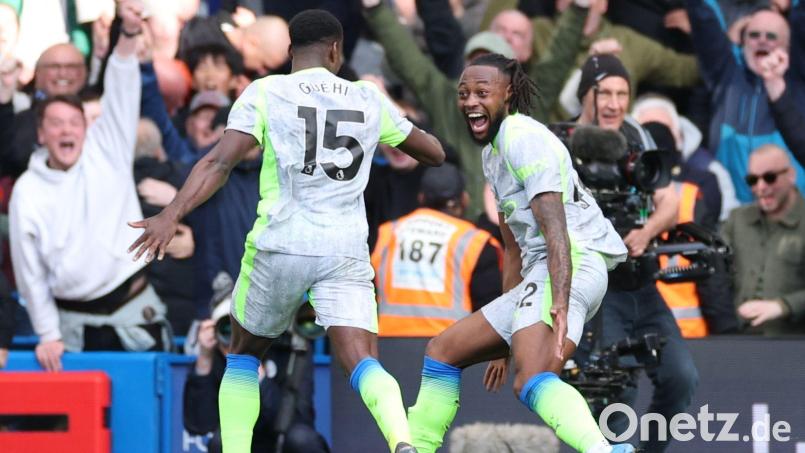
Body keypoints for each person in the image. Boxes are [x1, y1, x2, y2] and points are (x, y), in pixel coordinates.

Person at [127, 9, 445, 453]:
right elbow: (433, 152)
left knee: (242, 353)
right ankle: (402, 441)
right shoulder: (367, 100)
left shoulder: (265, 91)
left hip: (281, 244)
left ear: (291, 51)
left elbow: (219, 161)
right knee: (362, 360)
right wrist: (388, 121)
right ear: (336, 50)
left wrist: (172, 213)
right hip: (344, 250)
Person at [406, 53, 630, 453]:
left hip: (571, 264)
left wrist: (558, 302)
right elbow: (512, 247)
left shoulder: (522, 137)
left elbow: (555, 231)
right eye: (463, 93)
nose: (470, 101)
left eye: (482, 92)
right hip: (543, 273)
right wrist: (507, 330)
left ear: (507, 93)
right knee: (442, 352)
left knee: (531, 379)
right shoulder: (493, 153)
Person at [8, 0, 171, 372]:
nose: (66, 131)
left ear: (87, 128)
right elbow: (28, 271)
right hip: (72, 328)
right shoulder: (27, 190)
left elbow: (122, 86)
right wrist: (48, 332)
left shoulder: (107, 149)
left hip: (134, 313)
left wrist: (128, 34)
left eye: (74, 123)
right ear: (40, 133)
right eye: (56, 124)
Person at [572, 54, 697, 452]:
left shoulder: (637, 134)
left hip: (642, 284)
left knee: (681, 378)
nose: (614, 103)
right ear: (584, 96)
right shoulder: (562, 143)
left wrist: (645, 233)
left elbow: (670, 202)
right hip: (598, 292)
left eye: (622, 93)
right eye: (604, 92)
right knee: (614, 397)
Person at [183, 272, 329, 453]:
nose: (238, 335)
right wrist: (204, 359)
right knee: (220, 441)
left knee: (303, 439)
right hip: (238, 440)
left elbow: (301, 419)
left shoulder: (290, 348)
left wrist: (256, 374)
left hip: (282, 440)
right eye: (229, 326)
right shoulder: (215, 353)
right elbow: (200, 425)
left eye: (243, 326)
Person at [686, 0, 805, 203]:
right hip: (731, 211)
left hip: (791, 211)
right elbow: (703, 17)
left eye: (771, 36)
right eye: (754, 35)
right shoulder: (726, 73)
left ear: (787, 46)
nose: (762, 41)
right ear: (742, 40)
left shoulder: (797, 78)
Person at [372, 163, 503, 337]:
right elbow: (489, 311)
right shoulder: (475, 241)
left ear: (421, 197)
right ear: (464, 199)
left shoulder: (387, 233)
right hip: (452, 349)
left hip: (388, 344)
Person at [721, 144, 805, 335]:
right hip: (739, 341)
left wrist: (783, 306)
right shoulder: (737, 220)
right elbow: (717, 275)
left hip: (795, 343)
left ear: (791, 175)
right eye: (752, 180)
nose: (760, 187)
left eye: (769, 178)